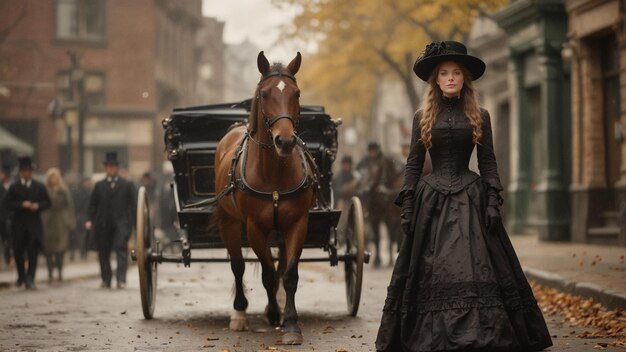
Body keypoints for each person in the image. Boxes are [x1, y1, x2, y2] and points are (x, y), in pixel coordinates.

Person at [375, 41, 552, 351]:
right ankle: (433, 334)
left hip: (471, 198)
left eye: (456, 73)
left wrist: (494, 202)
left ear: (464, 78)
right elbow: (414, 164)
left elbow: (488, 162)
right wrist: (408, 205)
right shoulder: (422, 117)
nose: (451, 78)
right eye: (444, 73)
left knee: (476, 263)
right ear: (436, 80)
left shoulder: (480, 115)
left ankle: (480, 331)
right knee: (432, 266)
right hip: (432, 200)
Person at [85, 152, 136, 289]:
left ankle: (121, 280)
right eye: (108, 167)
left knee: (121, 250)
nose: (111, 169)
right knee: (103, 252)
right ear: (105, 168)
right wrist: (89, 220)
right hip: (103, 224)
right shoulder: (98, 185)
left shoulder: (127, 185)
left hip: (121, 224)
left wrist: (134, 224)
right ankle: (106, 279)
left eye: (113, 167)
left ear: (117, 168)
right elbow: (92, 205)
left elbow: (134, 206)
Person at [3, 157, 51, 289]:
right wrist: (21, 205)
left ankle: (30, 277)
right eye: (24, 171)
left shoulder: (39, 186)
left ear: (32, 172)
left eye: (28, 171)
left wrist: (37, 206)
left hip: (34, 224)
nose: (26, 173)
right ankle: (21, 275)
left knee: (33, 252)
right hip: (18, 224)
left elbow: (47, 202)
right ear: (20, 173)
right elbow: (7, 204)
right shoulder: (14, 187)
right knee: (18, 252)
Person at [357, 142, 400, 267]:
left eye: (374, 150)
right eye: (371, 151)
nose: (372, 153)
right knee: (375, 227)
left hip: (386, 195)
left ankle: (391, 256)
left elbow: (394, 174)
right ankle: (377, 256)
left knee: (391, 226)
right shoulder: (365, 162)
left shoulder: (386, 161)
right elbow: (360, 173)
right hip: (373, 197)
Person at [41, 168, 76, 283]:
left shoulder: (64, 190)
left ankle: (60, 272)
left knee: (60, 249)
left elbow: (69, 206)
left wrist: (70, 222)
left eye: (56, 177)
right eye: (52, 177)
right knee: (48, 250)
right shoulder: (44, 190)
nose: (54, 180)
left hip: (61, 222)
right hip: (48, 222)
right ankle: (50, 272)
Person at [0, 164, 13, 266]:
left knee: (12, 238)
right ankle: (7, 257)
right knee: (5, 239)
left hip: (12, 216)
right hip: (2, 217)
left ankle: (10, 257)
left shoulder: (13, 185)